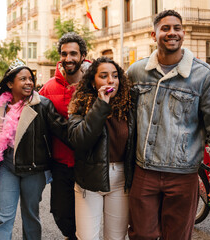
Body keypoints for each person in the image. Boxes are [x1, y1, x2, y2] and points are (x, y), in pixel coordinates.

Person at [126, 9, 210, 239]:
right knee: (140, 235)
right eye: (165, 28)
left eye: (176, 28)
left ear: (183, 33)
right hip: (144, 172)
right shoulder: (136, 72)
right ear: (154, 35)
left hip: (184, 177)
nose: (171, 32)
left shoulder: (204, 76)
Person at [0, 59, 70, 240]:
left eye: (30, 78)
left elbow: (65, 132)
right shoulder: (0, 106)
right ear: (9, 83)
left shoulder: (42, 104)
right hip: (8, 167)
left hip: (34, 168)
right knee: (3, 218)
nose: (29, 82)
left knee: (30, 216)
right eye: (22, 79)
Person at [68, 56, 137, 240]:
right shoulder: (82, 106)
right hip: (89, 180)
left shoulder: (129, 106)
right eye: (104, 76)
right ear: (92, 81)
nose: (110, 80)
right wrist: (101, 104)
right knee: (87, 237)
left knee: (116, 238)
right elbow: (80, 140)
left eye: (115, 76)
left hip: (120, 180)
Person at [39, 32, 90, 240]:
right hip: (60, 163)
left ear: (83, 55)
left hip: (87, 162)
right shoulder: (49, 87)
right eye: (64, 54)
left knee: (87, 213)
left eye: (73, 53)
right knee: (60, 212)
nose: (68, 58)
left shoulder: (93, 85)